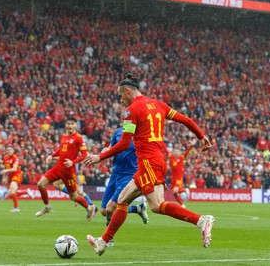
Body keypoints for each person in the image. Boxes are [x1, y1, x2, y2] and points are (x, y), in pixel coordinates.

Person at [84, 73, 215, 255]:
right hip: (155, 160)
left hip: (148, 162)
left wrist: (100, 156)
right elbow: (185, 120)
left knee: (157, 205)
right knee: (122, 200)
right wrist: (201, 136)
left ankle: (201, 220)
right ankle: (103, 242)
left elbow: (123, 143)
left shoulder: (132, 111)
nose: (121, 101)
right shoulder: (158, 105)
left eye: (121, 97)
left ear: (128, 92)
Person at [35, 116, 96, 221]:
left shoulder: (78, 138)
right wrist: (52, 156)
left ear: (75, 125)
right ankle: (47, 207)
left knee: (74, 196)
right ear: (65, 125)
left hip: (69, 172)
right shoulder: (64, 136)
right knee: (40, 184)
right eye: (68, 123)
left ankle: (89, 207)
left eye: (72, 124)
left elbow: (85, 154)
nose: (70, 126)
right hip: (58, 168)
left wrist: (73, 162)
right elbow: (61, 150)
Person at [100, 127, 149, 247]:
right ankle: (137, 209)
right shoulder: (118, 132)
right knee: (104, 211)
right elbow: (112, 148)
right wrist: (106, 150)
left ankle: (108, 238)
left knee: (111, 207)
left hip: (129, 175)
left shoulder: (141, 134)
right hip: (115, 173)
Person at [0, 145, 34, 212]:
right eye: (8, 150)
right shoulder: (5, 158)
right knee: (10, 194)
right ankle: (26, 192)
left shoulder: (15, 157)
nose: (9, 151)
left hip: (17, 175)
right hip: (10, 176)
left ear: (13, 151)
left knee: (12, 191)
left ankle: (16, 208)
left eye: (10, 150)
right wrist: (4, 177)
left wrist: (6, 171)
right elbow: (6, 168)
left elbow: (15, 169)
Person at [163, 139, 196, 207]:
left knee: (175, 191)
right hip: (173, 178)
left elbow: (187, 152)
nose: (177, 153)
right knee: (175, 193)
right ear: (173, 153)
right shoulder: (171, 157)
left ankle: (184, 190)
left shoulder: (181, 158)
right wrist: (160, 141)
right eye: (175, 151)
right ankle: (182, 204)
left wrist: (191, 145)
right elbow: (165, 149)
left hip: (179, 178)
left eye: (178, 152)